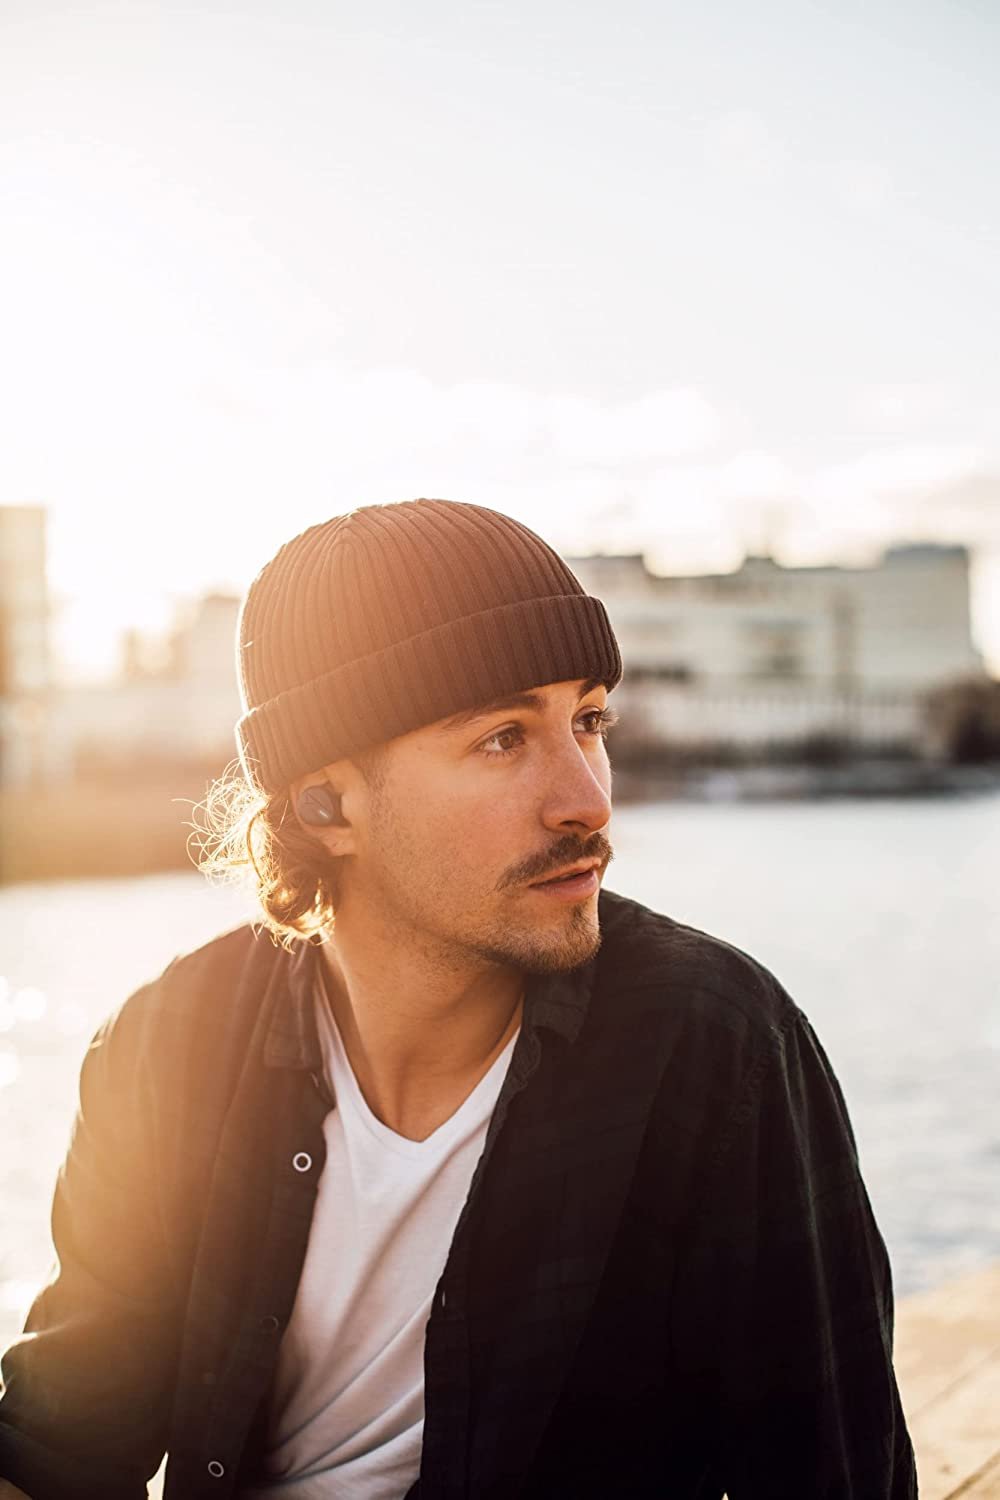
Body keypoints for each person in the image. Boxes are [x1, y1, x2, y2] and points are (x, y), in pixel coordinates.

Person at [0, 498, 918, 1499]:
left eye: (589, 721)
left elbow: (831, 1473)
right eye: (502, 739)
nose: (587, 799)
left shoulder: (710, 1046)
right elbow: (60, 1453)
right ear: (327, 806)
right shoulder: (170, 1044)